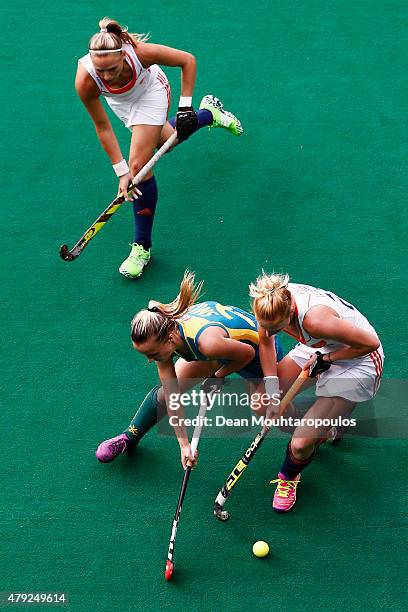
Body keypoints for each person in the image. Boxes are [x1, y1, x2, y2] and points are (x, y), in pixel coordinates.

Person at [76, 17, 243, 278]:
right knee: (168, 142)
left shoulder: (140, 54)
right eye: (101, 71)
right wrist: (120, 172)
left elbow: (187, 60)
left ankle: (142, 247)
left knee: (138, 167)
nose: (106, 75)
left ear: (122, 56)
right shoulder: (86, 81)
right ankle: (209, 113)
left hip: (150, 90)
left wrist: (185, 106)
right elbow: (103, 128)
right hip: (121, 104)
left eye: (112, 68)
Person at [96, 271, 283, 468]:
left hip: (257, 351)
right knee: (163, 394)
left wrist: (217, 377)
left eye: (152, 354)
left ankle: (308, 439)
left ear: (169, 338)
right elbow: (172, 396)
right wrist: (184, 445)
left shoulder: (206, 343)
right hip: (220, 347)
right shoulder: (164, 333)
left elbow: (247, 354)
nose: (150, 361)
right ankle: (129, 436)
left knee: (267, 406)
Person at [249, 273, 384, 512]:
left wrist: (326, 359)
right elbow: (266, 343)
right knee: (260, 403)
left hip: (358, 359)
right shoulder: (267, 302)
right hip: (319, 346)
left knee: (300, 443)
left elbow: (370, 343)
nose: (268, 332)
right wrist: (272, 392)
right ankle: (324, 429)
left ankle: (289, 476)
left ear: (290, 312)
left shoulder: (314, 320)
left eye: (276, 329)